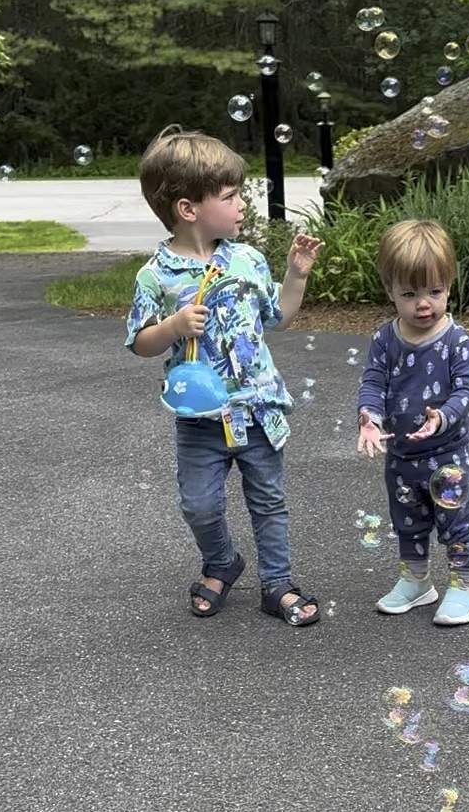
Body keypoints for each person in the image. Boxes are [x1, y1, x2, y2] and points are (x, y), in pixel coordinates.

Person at [126, 123, 323, 626]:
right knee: (199, 506)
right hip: (199, 418)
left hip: (256, 408)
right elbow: (141, 343)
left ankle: (277, 583)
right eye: (231, 197)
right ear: (188, 209)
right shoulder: (156, 275)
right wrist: (171, 326)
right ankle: (221, 563)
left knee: (269, 502)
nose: (241, 206)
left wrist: (296, 274)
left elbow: (279, 317)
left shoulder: (248, 260)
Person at [357, 219, 469, 626]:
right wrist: (369, 419)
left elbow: (467, 389)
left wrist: (442, 417)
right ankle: (416, 582)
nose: (423, 304)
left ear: (449, 286)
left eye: (434, 291)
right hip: (401, 456)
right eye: (409, 294)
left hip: (447, 455)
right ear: (390, 291)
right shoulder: (385, 340)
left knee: (456, 522)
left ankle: (465, 587)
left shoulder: (456, 341)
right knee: (407, 523)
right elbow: (373, 383)